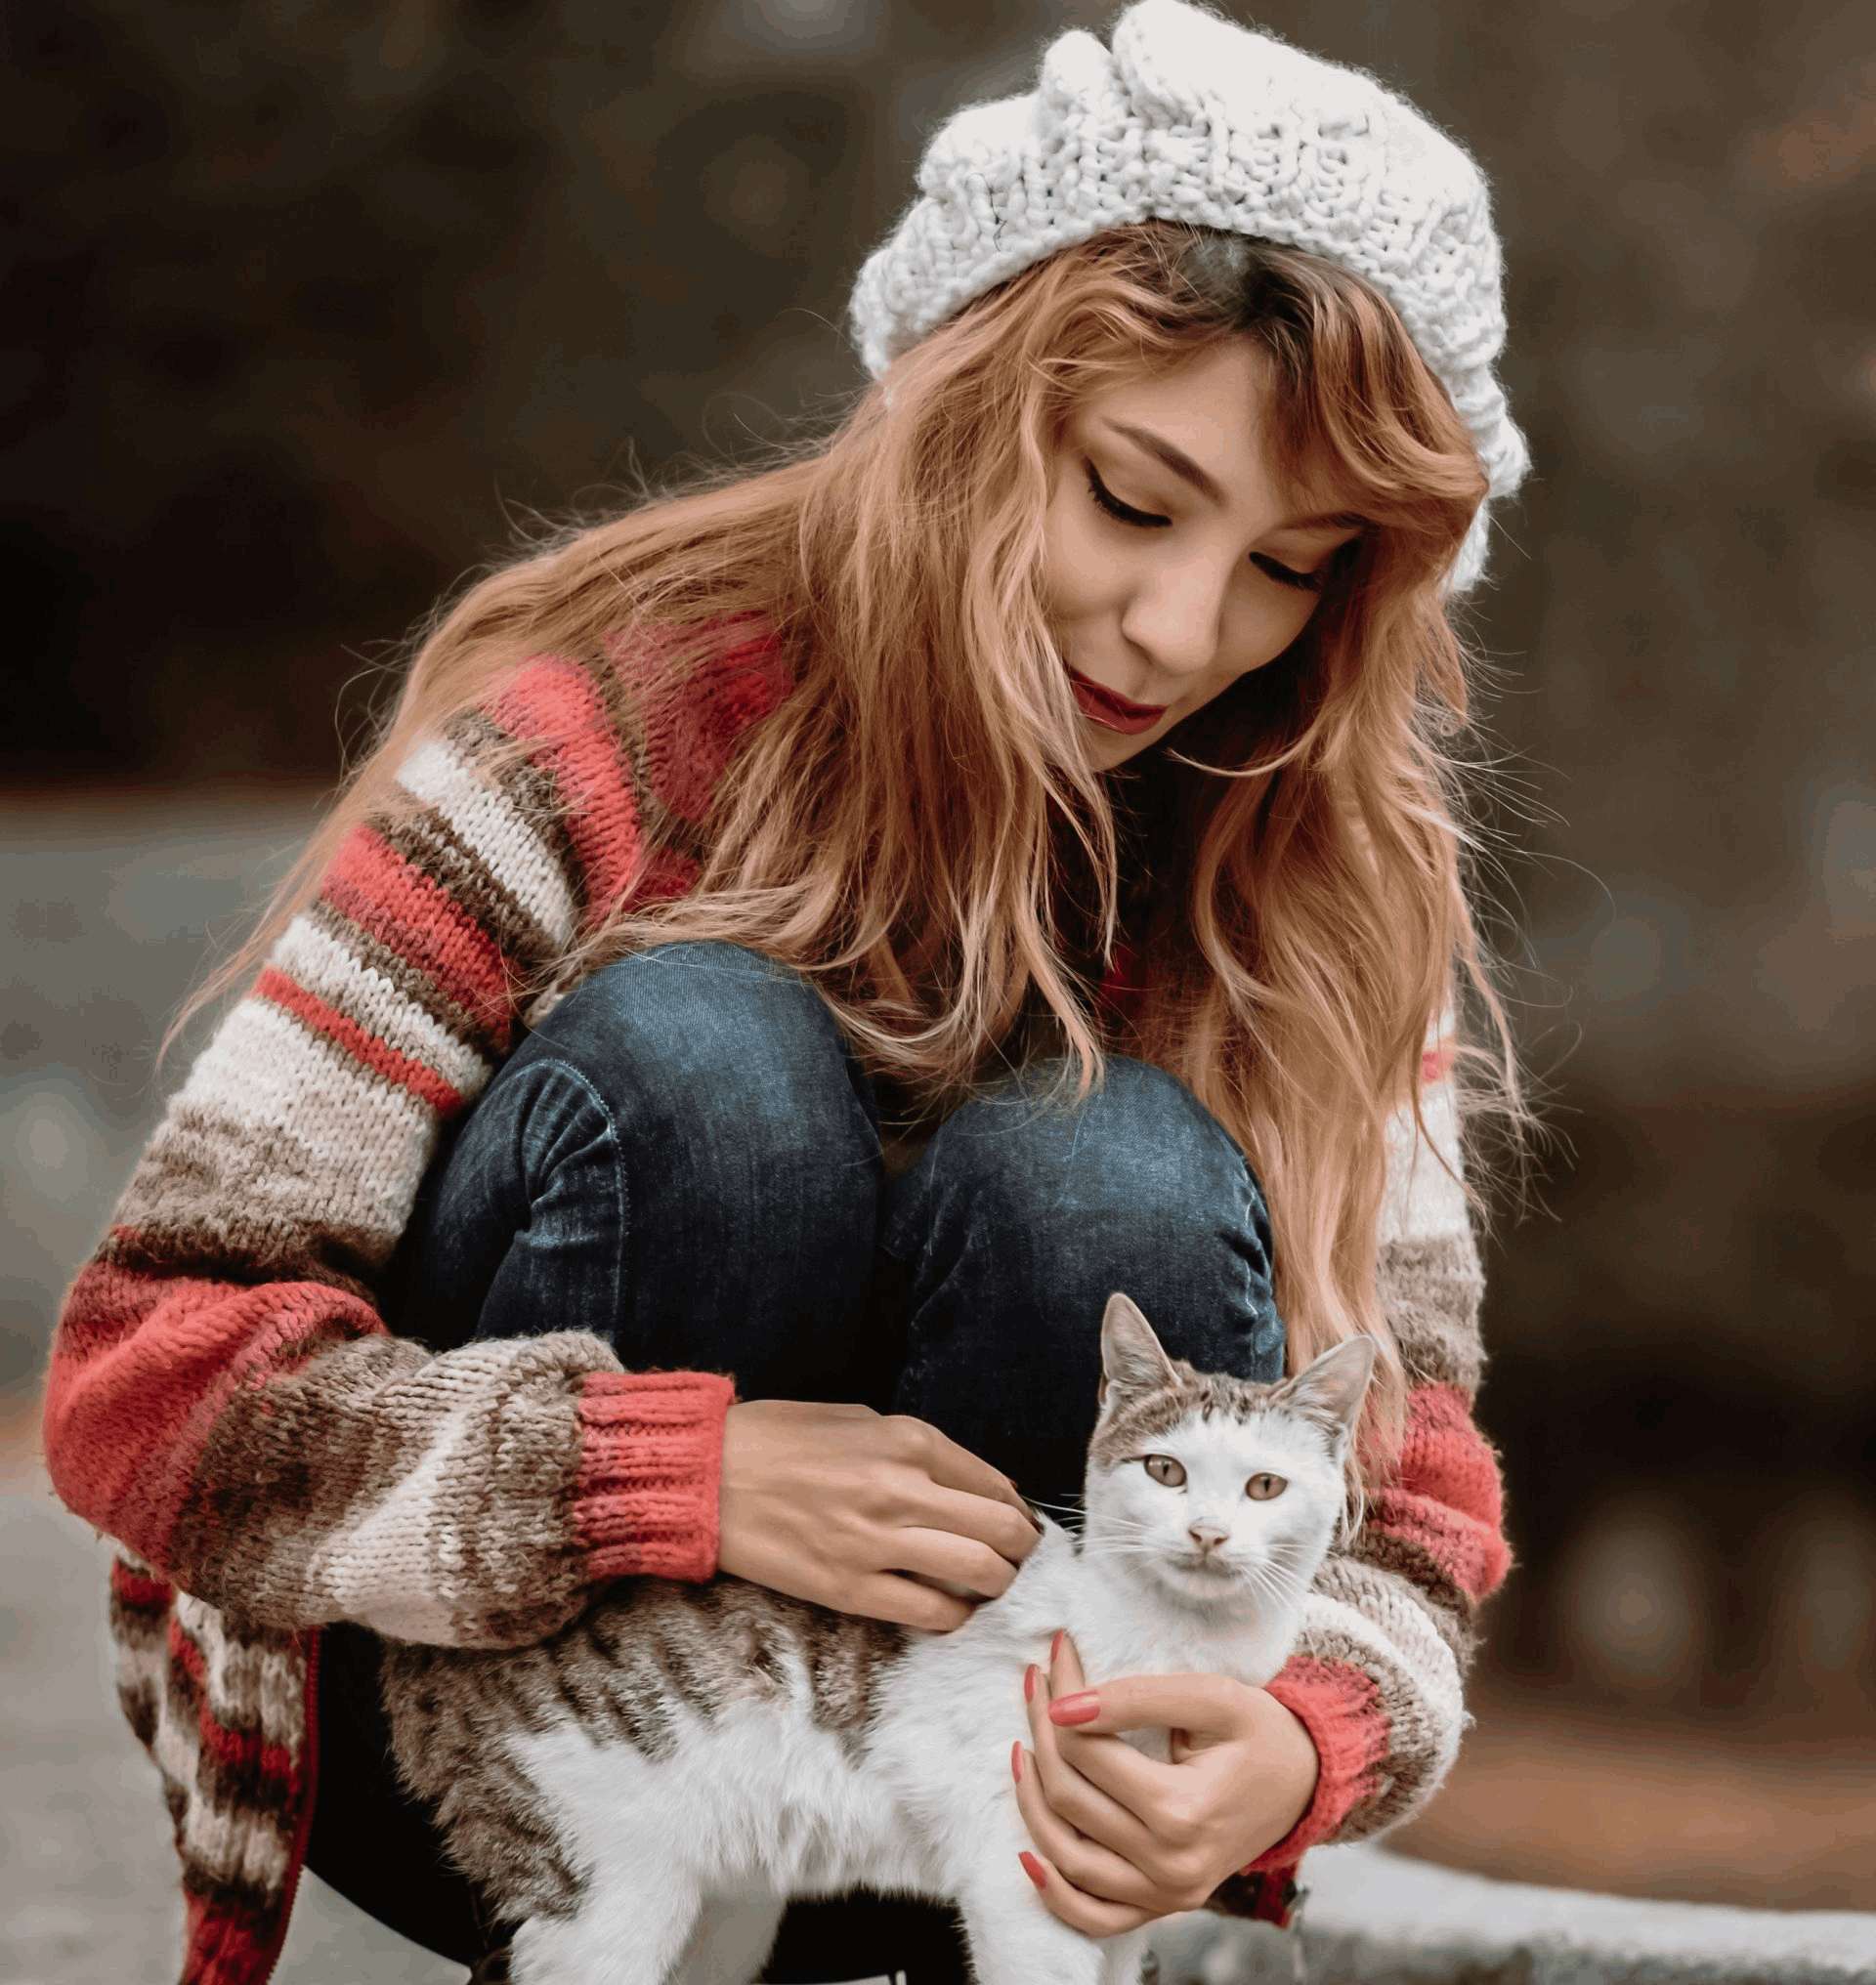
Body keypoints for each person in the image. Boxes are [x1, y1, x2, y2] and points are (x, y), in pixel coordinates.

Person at [40, 3, 1534, 1981]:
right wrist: (662, 1470)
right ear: (970, 402)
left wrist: (1296, 1739)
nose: (1188, 629)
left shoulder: (1321, 885)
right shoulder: (594, 746)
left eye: (1291, 567)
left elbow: (1412, 1502)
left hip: (970, 1829)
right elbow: (147, 1371)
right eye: (1134, 497)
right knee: (706, 1057)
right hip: (498, 1769)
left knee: (1107, 1170)